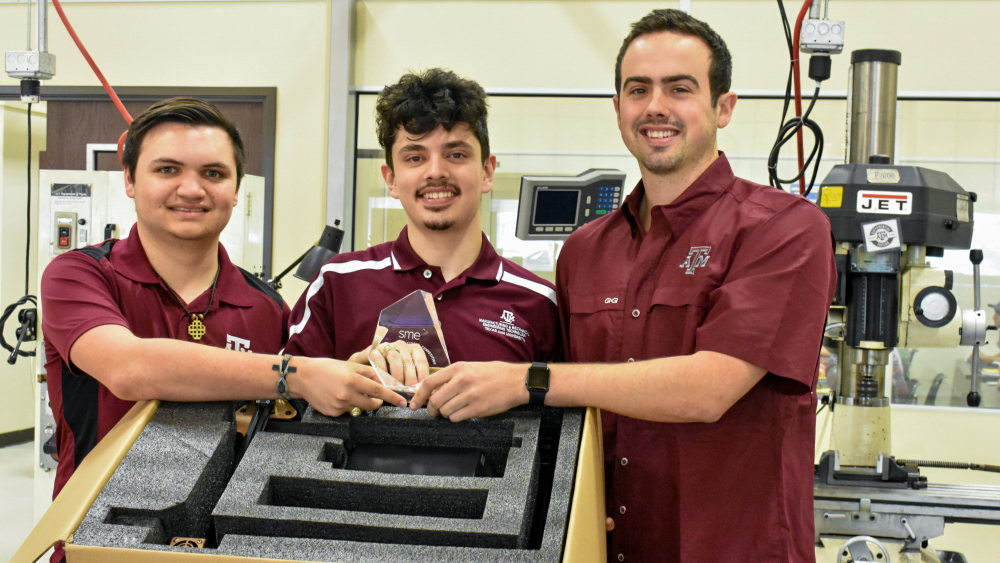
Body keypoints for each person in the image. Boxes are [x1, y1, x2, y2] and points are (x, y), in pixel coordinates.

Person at [409, 10, 837, 562]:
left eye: (680, 88)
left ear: (723, 107)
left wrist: (527, 380)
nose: (656, 106)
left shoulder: (784, 227)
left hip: (731, 547)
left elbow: (710, 388)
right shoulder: (586, 250)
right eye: (639, 89)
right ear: (618, 109)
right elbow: (570, 399)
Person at [41, 98, 406, 512]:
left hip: (221, 539)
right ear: (129, 179)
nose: (192, 189)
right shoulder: (79, 275)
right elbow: (129, 369)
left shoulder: (266, 309)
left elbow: (293, 415)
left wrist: (356, 377)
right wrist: (295, 374)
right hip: (97, 538)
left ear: (236, 191)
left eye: (213, 174)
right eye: (167, 169)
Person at [283, 69, 560, 377]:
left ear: (487, 171)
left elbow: (566, 420)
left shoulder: (539, 303)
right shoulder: (337, 285)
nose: (435, 172)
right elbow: (281, 407)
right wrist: (343, 381)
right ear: (391, 179)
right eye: (415, 158)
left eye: (455, 154)